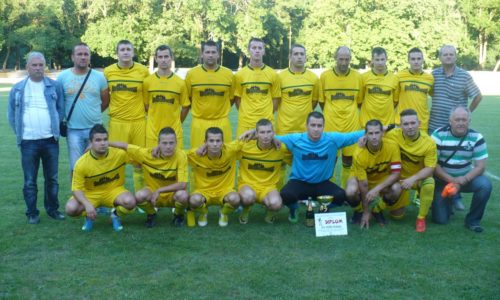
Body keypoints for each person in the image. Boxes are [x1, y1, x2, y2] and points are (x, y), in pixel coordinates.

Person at [8, 51, 65, 224]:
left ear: (45, 66)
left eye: (41, 65)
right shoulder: (17, 88)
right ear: (27, 67)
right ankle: (32, 212)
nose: (38, 68)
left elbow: (60, 109)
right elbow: (11, 114)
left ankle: (52, 209)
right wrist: (21, 134)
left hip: (50, 141)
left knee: (52, 179)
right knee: (30, 181)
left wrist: (54, 127)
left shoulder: (54, 86)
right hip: (28, 142)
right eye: (34, 65)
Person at [276, 112, 365, 223]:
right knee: (285, 194)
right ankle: (294, 209)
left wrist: (381, 129)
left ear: (323, 127)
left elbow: (354, 136)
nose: (316, 129)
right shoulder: (295, 139)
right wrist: (254, 132)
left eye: (319, 126)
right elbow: (272, 137)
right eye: (313, 125)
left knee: (341, 196)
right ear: (306, 126)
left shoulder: (333, 139)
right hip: (299, 182)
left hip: (322, 183)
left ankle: (324, 207)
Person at [429, 45, 482, 211]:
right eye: (445, 54)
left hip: (456, 129)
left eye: (451, 54)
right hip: (435, 126)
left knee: (455, 162)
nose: (448, 57)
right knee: (434, 163)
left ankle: (455, 195)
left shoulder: (464, 76)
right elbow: (431, 93)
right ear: (440, 57)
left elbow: (478, 95)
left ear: (455, 57)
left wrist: (467, 113)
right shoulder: (434, 75)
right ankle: (436, 198)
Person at [110, 127, 189, 227]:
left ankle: (178, 215)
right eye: (164, 143)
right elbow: (124, 146)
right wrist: (104, 143)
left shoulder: (181, 156)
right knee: (139, 196)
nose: (168, 146)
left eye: (171, 143)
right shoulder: (146, 154)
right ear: (158, 143)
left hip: (173, 195)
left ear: (176, 143)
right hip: (152, 194)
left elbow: (182, 184)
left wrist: (159, 190)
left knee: (183, 195)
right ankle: (151, 214)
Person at [65, 124, 137, 231]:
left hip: (113, 191)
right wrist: (87, 205)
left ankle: (115, 215)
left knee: (130, 202)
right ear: (91, 142)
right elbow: (76, 189)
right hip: (91, 193)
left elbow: (137, 157)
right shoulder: (81, 163)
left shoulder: (119, 154)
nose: (102, 143)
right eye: (98, 140)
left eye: (105, 139)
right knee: (70, 209)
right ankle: (88, 215)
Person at [431, 106, 491, 233]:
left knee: (485, 185)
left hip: (466, 179)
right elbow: (433, 165)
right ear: (450, 121)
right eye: (457, 119)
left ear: (469, 121)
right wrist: (452, 181)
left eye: (464, 120)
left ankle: (473, 221)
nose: (461, 123)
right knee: (440, 220)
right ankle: (449, 200)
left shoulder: (477, 137)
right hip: (443, 180)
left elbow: (481, 166)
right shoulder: (438, 135)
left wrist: (464, 179)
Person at [104, 40, 149, 191]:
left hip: (138, 122)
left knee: (140, 161)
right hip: (117, 122)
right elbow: (104, 96)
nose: (125, 52)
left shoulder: (143, 71)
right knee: (116, 161)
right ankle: (116, 195)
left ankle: (142, 199)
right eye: (122, 49)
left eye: (128, 49)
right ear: (117, 53)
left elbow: (147, 97)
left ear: (133, 52)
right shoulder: (108, 71)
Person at [57, 43, 109, 174]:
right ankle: (76, 195)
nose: (83, 57)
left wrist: (94, 113)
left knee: (97, 167)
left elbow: (106, 100)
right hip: (73, 130)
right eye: (79, 54)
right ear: (72, 57)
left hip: (95, 130)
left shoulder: (99, 77)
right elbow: (58, 102)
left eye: (86, 54)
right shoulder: (62, 77)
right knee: (76, 168)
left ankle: (96, 195)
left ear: (90, 57)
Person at [385, 109, 437, 232]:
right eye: (406, 124)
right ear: (400, 125)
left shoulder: (429, 142)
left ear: (419, 123)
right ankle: (388, 201)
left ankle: (421, 218)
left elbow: (430, 168)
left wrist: (412, 179)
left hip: (417, 179)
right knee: (397, 216)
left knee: (430, 183)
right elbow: (373, 135)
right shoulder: (392, 134)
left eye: (413, 123)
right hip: (398, 179)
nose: (410, 127)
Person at [320, 46, 363, 188]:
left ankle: (345, 191)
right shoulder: (325, 76)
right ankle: (329, 191)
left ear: (350, 59)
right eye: (341, 59)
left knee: (348, 160)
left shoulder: (358, 77)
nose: (344, 63)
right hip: (331, 125)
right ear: (335, 58)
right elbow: (321, 101)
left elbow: (360, 101)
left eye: (347, 59)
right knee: (329, 159)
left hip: (351, 125)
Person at [346, 119, 402, 229]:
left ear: (382, 133)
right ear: (365, 135)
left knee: (397, 188)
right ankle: (359, 211)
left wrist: (376, 189)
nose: (374, 136)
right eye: (370, 133)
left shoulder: (392, 146)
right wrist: (366, 211)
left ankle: (377, 210)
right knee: (351, 191)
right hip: (362, 179)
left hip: (381, 179)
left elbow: (396, 174)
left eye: (377, 133)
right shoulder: (359, 153)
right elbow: (363, 184)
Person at [238, 119, 290, 224]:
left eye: (268, 132)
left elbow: (296, 160)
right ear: (256, 134)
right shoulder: (245, 146)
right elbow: (224, 149)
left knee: (276, 204)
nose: (266, 136)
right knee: (248, 197)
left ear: (273, 133)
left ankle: (270, 213)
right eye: (262, 132)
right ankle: (245, 210)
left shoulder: (281, 148)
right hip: (247, 185)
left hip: (268, 187)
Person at [185, 40, 234, 147]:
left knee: (224, 156)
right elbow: (188, 98)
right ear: (202, 54)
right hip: (199, 122)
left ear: (218, 54)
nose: (210, 55)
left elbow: (232, 98)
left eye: (213, 52)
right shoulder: (191, 74)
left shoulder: (229, 74)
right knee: (199, 157)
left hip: (222, 122)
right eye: (207, 52)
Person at [187, 127, 240, 227]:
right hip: (203, 191)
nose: (215, 144)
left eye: (218, 141)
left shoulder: (231, 150)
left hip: (225, 190)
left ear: (222, 142)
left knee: (236, 199)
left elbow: (246, 139)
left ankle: (223, 213)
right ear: (205, 142)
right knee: (193, 200)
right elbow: (177, 155)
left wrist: (272, 138)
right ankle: (203, 213)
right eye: (211, 141)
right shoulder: (195, 155)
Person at [143, 45, 189, 148]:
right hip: (153, 133)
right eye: (160, 57)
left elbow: (185, 106)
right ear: (156, 59)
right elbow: (146, 105)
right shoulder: (147, 82)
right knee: (152, 162)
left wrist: (177, 121)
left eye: (166, 56)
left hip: (174, 133)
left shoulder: (180, 83)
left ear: (171, 58)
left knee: (174, 163)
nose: (163, 60)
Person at [234, 38, 280, 137]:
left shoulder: (273, 74)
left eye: (260, 48)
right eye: (254, 48)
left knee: (267, 151)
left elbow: (275, 99)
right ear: (249, 50)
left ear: (264, 51)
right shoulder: (240, 75)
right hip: (246, 122)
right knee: (244, 150)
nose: (257, 50)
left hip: (267, 123)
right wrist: (246, 113)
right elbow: (237, 99)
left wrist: (267, 114)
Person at [277, 44, 319, 135]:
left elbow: (314, 101)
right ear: (290, 57)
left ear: (305, 57)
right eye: (296, 54)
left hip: (306, 129)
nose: (299, 57)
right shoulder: (280, 77)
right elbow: (277, 101)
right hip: (285, 128)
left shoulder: (314, 78)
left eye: (302, 54)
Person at [395, 48, 434, 132]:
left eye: (419, 59)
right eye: (413, 59)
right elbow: (394, 99)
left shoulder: (429, 78)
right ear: (408, 60)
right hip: (402, 122)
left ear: (423, 60)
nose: (416, 62)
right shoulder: (399, 76)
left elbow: (433, 95)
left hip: (422, 122)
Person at [360, 47, 399, 126]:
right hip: (367, 122)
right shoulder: (363, 77)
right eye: (377, 60)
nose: (380, 62)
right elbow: (360, 100)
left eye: (382, 59)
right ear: (372, 60)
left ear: (386, 59)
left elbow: (395, 101)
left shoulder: (394, 78)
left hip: (387, 123)